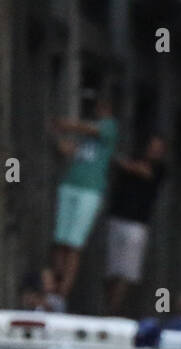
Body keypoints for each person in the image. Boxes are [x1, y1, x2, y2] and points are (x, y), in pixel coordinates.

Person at [50, 90, 118, 301]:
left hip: (90, 191)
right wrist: (55, 133)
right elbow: (68, 150)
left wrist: (65, 124)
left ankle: (63, 293)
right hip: (71, 185)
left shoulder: (110, 127)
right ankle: (54, 286)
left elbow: (88, 128)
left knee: (75, 244)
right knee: (60, 240)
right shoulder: (87, 136)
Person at [104, 134, 167, 314]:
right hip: (117, 218)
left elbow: (139, 170)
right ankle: (109, 305)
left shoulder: (160, 169)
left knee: (127, 272)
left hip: (137, 225)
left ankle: (113, 309)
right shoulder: (134, 160)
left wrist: (120, 161)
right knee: (111, 270)